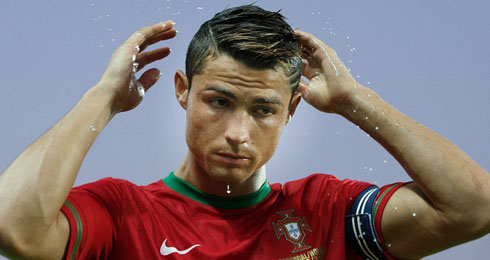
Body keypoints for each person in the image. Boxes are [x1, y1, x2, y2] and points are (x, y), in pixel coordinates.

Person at [0, 4, 488, 260]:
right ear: (181, 92)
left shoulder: (326, 212)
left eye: (263, 110)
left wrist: (356, 101)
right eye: (219, 102)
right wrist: (102, 99)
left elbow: (473, 208)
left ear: (292, 110)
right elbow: (12, 228)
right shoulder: (122, 214)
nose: (237, 132)